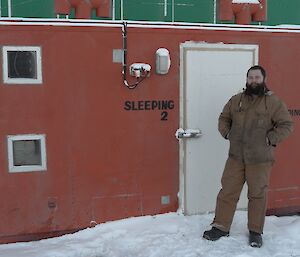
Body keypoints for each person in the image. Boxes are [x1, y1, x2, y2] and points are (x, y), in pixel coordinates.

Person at [203, 65, 293, 247]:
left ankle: (255, 231)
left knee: (257, 195)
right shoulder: (236, 100)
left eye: (257, 77)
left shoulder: (273, 102)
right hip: (236, 158)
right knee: (227, 192)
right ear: (246, 79)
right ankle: (220, 227)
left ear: (263, 79)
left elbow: (286, 125)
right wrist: (227, 133)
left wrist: (270, 138)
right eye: (250, 77)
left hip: (260, 160)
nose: (253, 80)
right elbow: (223, 118)